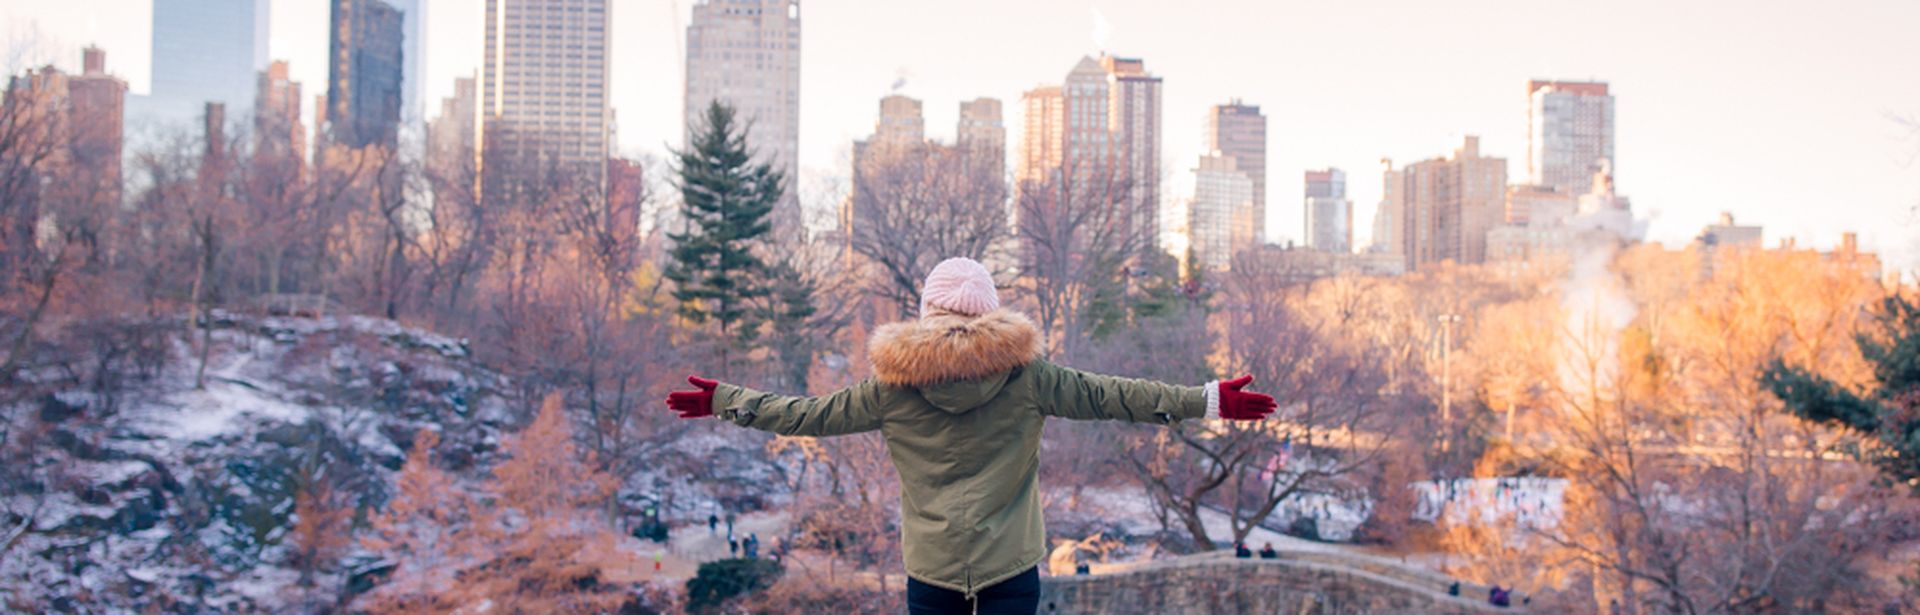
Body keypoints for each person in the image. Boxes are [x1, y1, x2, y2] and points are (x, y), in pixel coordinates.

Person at [666, 257, 1278, 615]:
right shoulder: (1030, 378)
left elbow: (805, 416)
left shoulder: (891, 387)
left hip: (931, 574)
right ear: (988, 313)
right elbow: (1115, 394)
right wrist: (1204, 399)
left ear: (930, 311)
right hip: (1009, 572)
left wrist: (727, 401)